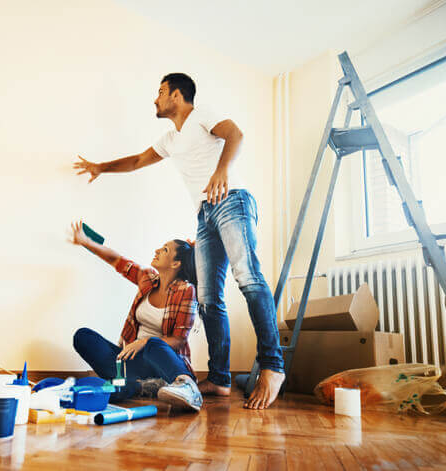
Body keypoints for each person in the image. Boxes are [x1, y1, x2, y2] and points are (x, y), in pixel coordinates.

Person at [73, 73, 285, 410]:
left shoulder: (202, 115)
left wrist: (222, 171)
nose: (155, 99)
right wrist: (101, 167)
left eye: (159, 92)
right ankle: (219, 378)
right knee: (210, 298)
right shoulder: (171, 139)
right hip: (205, 213)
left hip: (232, 200)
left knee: (247, 278)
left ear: (176, 94)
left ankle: (273, 367)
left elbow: (235, 134)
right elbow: (138, 161)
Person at [70, 221, 202, 411]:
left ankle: (187, 387)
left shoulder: (187, 290)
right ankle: (140, 386)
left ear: (176, 263)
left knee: (154, 343)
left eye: (164, 250)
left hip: (161, 362)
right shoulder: (147, 278)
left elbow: (179, 340)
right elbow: (117, 260)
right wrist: (86, 241)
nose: (157, 250)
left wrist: (144, 342)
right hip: (131, 361)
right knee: (83, 337)